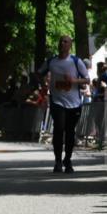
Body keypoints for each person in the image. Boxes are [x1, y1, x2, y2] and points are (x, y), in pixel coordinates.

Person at [37, 35, 89, 173]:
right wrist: (45, 84)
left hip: (74, 102)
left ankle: (68, 159)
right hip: (57, 101)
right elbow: (39, 73)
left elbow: (87, 80)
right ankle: (58, 161)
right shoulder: (51, 61)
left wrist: (73, 81)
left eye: (65, 41)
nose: (62, 43)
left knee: (70, 132)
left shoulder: (76, 61)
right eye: (61, 41)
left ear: (70, 45)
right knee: (59, 130)